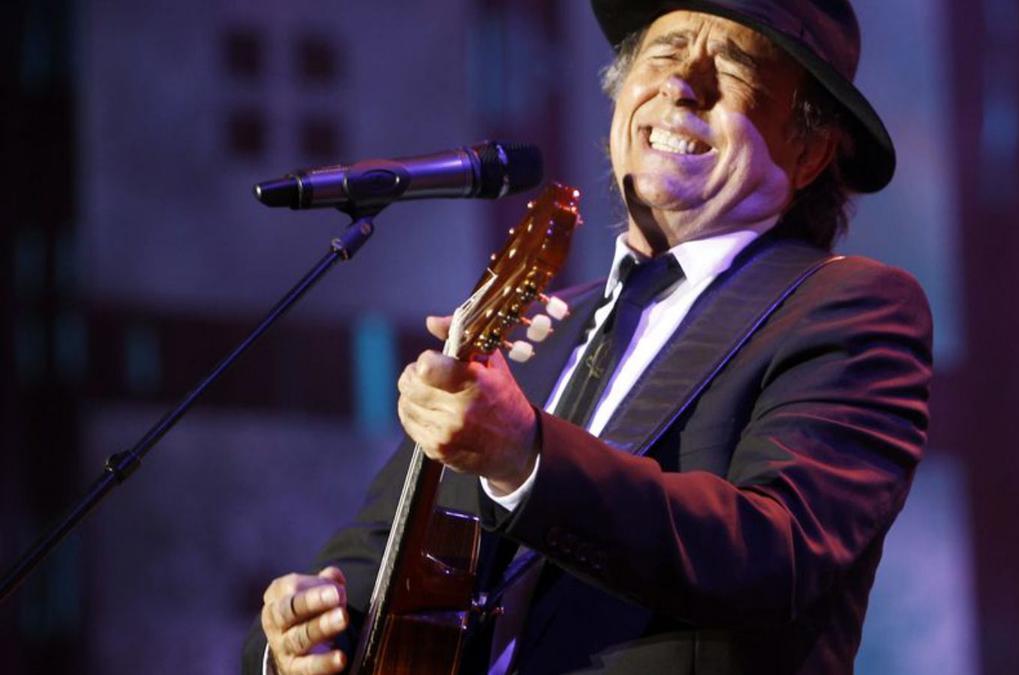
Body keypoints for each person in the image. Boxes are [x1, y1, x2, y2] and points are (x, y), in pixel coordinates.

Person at [243, 0, 933, 673]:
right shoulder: (530, 334)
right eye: (662, 53)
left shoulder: (848, 307)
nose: (680, 83)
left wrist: (526, 456)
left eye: (736, 67)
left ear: (809, 150)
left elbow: (774, 553)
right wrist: (294, 640)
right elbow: (372, 567)